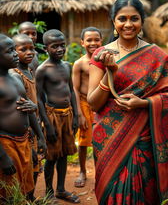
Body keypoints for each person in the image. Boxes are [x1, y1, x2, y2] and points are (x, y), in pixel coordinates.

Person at [87, 0, 168, 205]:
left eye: (134, 18)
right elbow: (93, 103)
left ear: (142, 21)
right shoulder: (102, 54)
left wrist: (144, 103)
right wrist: (109, 72)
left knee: (145, 192)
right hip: (109, 138)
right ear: (113, 21)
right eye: (122, 19)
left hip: (144, 137)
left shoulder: (158, 57)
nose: (128, 24)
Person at [35, 29, 80, 203]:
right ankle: (48, 192)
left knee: (64, 154)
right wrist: (47, 123)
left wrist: (75, 116)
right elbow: (38, 98)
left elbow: (71, 92)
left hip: (67, 115)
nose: (60, 49)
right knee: (52, 156)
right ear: (46, 48)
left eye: (62, 45)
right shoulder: (42, 69)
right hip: (52, 116)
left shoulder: (67, 66)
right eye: (55, 46)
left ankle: (61, 189)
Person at [0, 34, 46, 202]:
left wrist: (40, 137)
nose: (14, 54)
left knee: (25, 183)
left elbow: (28, 109)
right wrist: (3, 157)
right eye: (9, 51)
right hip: (6, 144)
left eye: (14, 49)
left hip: (24, 141)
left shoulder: (16, 78)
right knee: (8, 189)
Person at [9, 34, 42, 189]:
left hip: (34, 124)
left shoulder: (29, 69)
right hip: (26, 129)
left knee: (34, 166)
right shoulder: (15, 75)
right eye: (23, 49)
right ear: (14, 52)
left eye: (32, 49)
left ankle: (31, 196)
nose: (30, 52)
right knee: (27, 164)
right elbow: (22, 108)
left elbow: (35, 102)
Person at [72, 27, 102, 188]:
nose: (93, 43)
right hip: (84, 105)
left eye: (96, 39)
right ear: (82, 42)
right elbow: (75, 89)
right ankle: (82, 171)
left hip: (101, 105)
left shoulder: (104, 60)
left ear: (101, 41)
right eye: (89, 40)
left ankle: (101, 172)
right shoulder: (79, 64)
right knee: (83, 142)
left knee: (101, 140)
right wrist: (79, 114)